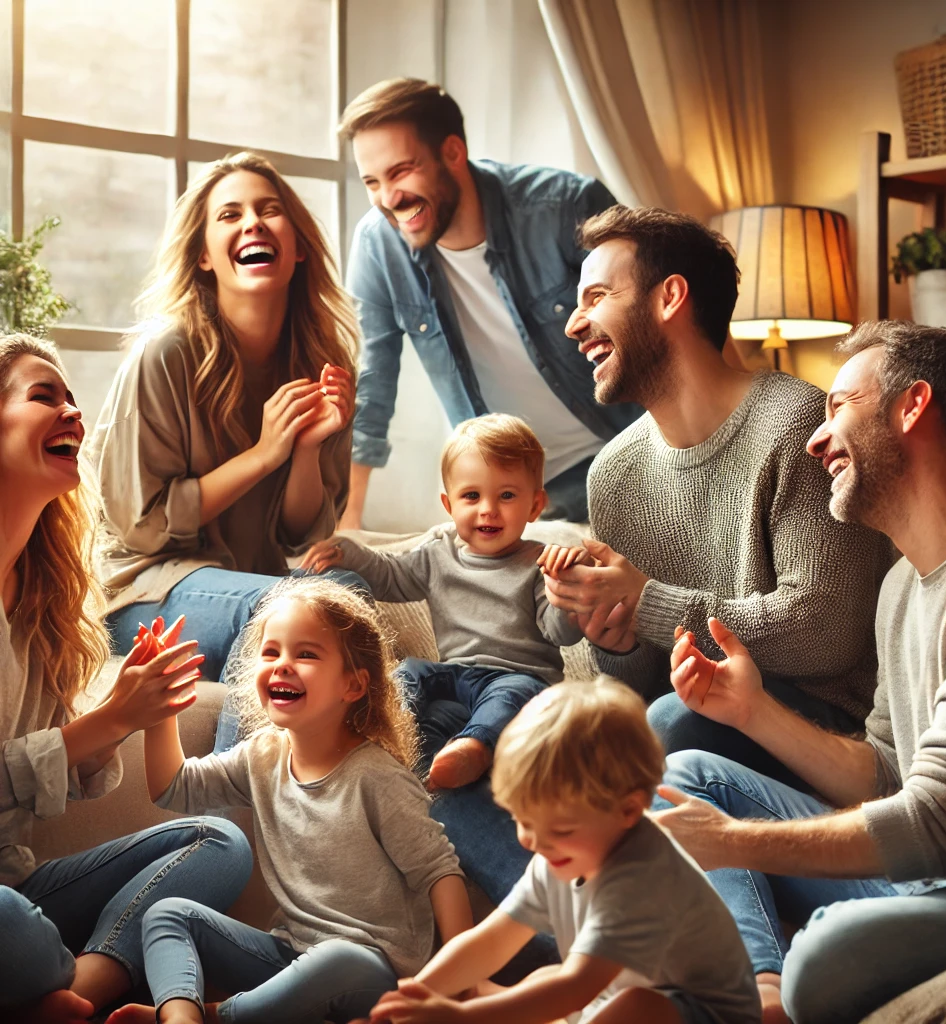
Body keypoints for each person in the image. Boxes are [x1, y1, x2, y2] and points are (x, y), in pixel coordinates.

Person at [653, 320, 946, 1024]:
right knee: (687, 781)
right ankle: (757, 990)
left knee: (823, 960)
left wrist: (729, 842)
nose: (815, 442)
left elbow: (945, 819)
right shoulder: (900, 586)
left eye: (838, 408)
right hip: (921, 873)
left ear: (912, 407)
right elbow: (888, 770)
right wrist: (751, 710)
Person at [542, 206, 893, 787]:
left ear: (670, 297)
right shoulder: (613, 475)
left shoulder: (797, 425)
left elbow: (825, 630)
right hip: (692, 726)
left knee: (676, 722)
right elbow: (643, 685)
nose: (574, 325)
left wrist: (649, 601)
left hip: (830, 734)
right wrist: (620, 638)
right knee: (561, 741)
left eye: (597, 297)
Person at [0, 334, 251, 1024]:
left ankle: (76, 990)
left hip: (21, 887)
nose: (73, 413)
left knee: (220, 842)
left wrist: (122, 716)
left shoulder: (44, 602)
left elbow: (51, 782)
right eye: (44, 395)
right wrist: (109, 720)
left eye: (75, 400)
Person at [86, 152, 367, 732]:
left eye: (269, 212)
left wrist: (306, 449)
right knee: (281, 613)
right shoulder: (165, 354)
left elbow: (302, 535)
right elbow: (142, 525)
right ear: (204, 256)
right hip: (143, 591)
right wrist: (264, 454)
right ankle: (228, 804)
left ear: (299, 247)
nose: (253, 224)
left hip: (248, 580)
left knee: (348, 594)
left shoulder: (323, 366)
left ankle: (367, 801)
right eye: (230, 215)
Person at [109, 576, 472, 1024]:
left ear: (354, 685)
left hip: (373, 973)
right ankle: (179, 1014)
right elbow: (173, 786)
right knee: (168, 914)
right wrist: (159, 711)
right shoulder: (263, 755)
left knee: (340, 961)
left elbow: (440, 872)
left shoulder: (377, 776)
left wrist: (461, 982)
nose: (282, 665)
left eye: (306, 654)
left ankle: (216, 1017)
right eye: (271, 652)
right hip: (287, 956)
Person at [367, 678, 760, 1024]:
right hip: (608, 995)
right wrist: (417, 992)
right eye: (522, 820)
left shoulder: (641, 879)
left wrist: (464, 1016)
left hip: (700, 1013)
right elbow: (492, 940)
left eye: (559, 828)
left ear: (628, 809)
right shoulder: (555, 858)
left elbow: (577, 988)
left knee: (632, 1006)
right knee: (543, 980)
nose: (530, 841)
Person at [338, 77, 641, 525]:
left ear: (453, 153)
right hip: (516, 496)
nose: (388, 199)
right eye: (372, 181)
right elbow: (371, 386)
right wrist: (349, 525)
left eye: (401, 172)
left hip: (633, 457)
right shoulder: (378, 246)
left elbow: (654, 327)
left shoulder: (565, 206)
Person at [303, 413, 582, 789]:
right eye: (472, 496)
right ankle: (393, 741)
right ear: (449, 505)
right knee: (409, 673)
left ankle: (474, 748)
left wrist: (564, 590)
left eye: (507, 495)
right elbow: (391, 576)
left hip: (517, 677)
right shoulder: (439, 551)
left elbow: (561, 633)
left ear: (535, 505)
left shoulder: (541, 562)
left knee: (512, 698)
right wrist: (350, 553)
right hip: (454, 673)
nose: (488, 509)